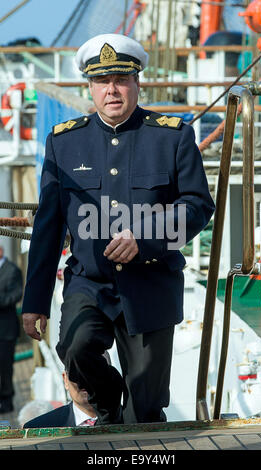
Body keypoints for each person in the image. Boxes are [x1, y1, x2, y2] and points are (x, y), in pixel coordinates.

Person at [22, 33, 215, 425]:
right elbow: (48, 226)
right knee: (74, 348)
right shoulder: (64, 143)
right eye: (102, 82)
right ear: (89, 87)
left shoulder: (172, 136)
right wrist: (35, 302)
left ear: (136, 83)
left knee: (145, 408)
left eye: (121, 80)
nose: (112, 90)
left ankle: (132, 424)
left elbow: (197, 207)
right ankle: (109, 408)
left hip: (151, 285)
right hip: (89, 284)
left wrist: (143, 239)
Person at [23, 371, 98, 428]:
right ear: (65, 379)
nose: (85, 379)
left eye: (95, 371)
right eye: (77, 372)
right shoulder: (38, 429)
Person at [0, 245, 23, 413]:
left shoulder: (12, 270)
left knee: (6, 367)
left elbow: (16, 295)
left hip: (6, 330)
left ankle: (7, 401)